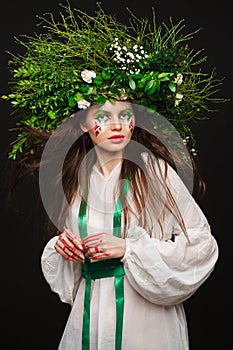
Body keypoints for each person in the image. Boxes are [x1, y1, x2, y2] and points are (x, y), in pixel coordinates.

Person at [2, 3, 224, 350]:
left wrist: (128, 249)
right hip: (89, 316)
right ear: (83, 123)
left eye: (125, 113)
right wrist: (64, 248)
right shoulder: (75, 180)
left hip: (145, 321)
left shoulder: (154, 171)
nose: (117, 124)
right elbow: (70, 272)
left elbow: (202, 245)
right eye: (103, 115)